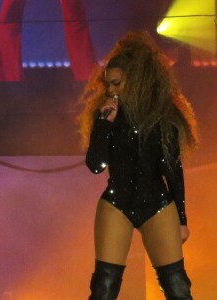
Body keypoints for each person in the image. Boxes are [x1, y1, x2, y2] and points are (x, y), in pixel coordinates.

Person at [78, 31, 198, 300]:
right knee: (104, 287)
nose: (111, 90)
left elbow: (172, 170)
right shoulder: (108, 118)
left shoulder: (160, 116)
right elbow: (95, 165)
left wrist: (181, 219)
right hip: (116, 202)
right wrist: (102, 126)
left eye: (117, 84)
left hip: (156, 203)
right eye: (108, 84)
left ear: (135, 81)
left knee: (177, 287)